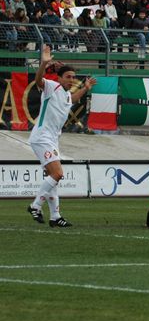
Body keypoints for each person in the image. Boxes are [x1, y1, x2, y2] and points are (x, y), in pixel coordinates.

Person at [27, 46, 96, 227]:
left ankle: (55, 216)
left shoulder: (65, 95)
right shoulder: (52, 86)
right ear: (60, 77)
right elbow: (38, 81)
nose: (72, 80)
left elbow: (72, 99)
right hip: (42, 137)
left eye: (73, 77)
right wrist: (43, 63)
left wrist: (86, 88)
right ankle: (35, 205)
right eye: (68, 76)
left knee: (53, 178)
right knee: (57, 174)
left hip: (52, 139)